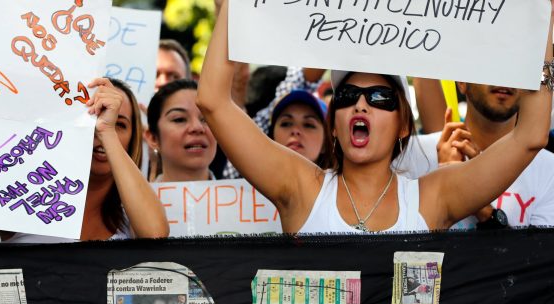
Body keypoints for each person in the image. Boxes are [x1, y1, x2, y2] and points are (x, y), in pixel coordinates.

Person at [198, 0, 553, 234]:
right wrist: (235, 7)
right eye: (347, 95)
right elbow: (213, 101)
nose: (361, 104)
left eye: (380, 97)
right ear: (333, 124)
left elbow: (530, 137)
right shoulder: (300, 187)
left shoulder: (432, 197)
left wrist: (544, 21)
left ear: (403, 124)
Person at [3, 78, 168, 243]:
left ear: (133, 139)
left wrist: (107, 130)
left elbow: (156, 236)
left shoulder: (133, 219)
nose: (98, 127)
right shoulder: (23, 198)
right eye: (91, 116)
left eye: (119, 124)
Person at [400, 82, 554, 229]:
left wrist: (478, 202)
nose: (504, 79)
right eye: (488, 68)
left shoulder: (549, 170)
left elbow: (538, 248)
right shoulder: (408, 154)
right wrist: (443, 182)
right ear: (462, 83)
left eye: (514, 70)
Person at [146, 80, 218, 182]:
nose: (197, 127)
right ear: (153, 138)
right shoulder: (133, 193)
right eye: (179, 119)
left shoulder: (242, 191)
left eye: (206, 119)